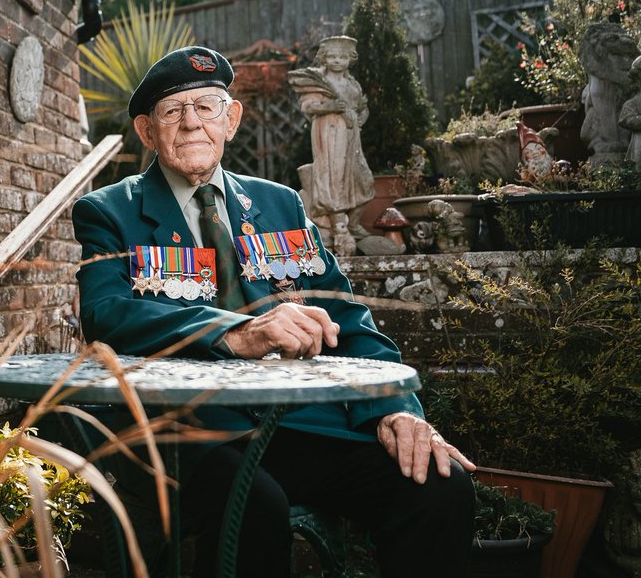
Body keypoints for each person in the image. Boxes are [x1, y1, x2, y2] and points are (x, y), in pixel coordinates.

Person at [72, 45, 474, 578]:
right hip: (186, 434)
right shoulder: (110, 211)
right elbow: (107, 313)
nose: (191, 123)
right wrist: (235, 333)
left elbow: (347, 318)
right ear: (147, 132)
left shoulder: (280, 204)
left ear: (231, 120)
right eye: (173, 112)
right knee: (252, 507)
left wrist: (394, 409)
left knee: (438, 484)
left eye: (206, 107)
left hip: (298, 425)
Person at [288, 35, 374, 241]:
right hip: (329, 134)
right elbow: (307, 106)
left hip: (352, 137)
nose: (337, 61)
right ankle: (338, 228)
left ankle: (353, 224)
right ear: (324, 58)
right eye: (332, 56)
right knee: (332, 177)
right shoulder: (319, 81)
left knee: (364, 180)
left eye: (342, 57)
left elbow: (363, 107)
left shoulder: (353, 83)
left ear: (350, 59)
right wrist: (330, 107)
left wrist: (360, 118)